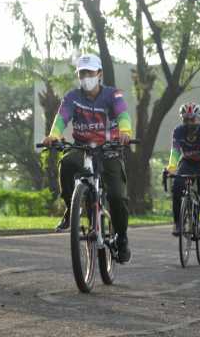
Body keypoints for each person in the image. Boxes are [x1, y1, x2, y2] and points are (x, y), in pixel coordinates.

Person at [42, 53, 133, 263]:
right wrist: (54, 135)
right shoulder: (72, 97)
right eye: (82, 73)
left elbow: (123, 114)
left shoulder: (113, 95)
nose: (85, 77)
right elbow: (62, 117)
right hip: (82, 147)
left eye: (90, 73)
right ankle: (71, 208)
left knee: (117, 196)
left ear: (99, 74)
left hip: (109, 149)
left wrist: (125, 131)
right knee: (66, 163)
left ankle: (121, 238)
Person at [164, 102, 200, 246]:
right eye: (186, 119)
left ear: (198, 119)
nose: (189, 123)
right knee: (177, 186)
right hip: (188, 162)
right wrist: (171, 168)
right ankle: (178, 223)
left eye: (192, 119)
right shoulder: (178, 131)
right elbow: (175, 151)